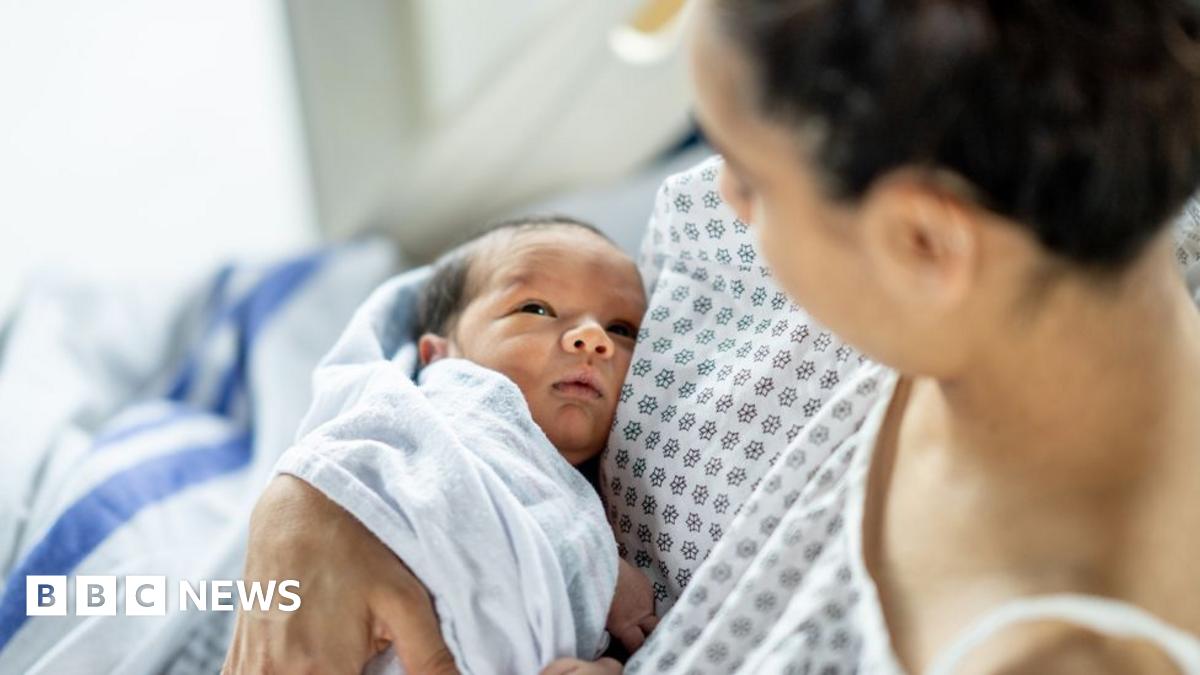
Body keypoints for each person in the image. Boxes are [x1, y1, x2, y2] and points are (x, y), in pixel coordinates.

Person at [226, 0, 1200, 673]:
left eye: (749, 174)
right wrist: (316, 491)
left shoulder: (1031, 646)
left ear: (922, 239)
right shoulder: (1052, 219)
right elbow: (468, 294)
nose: (710, 197)